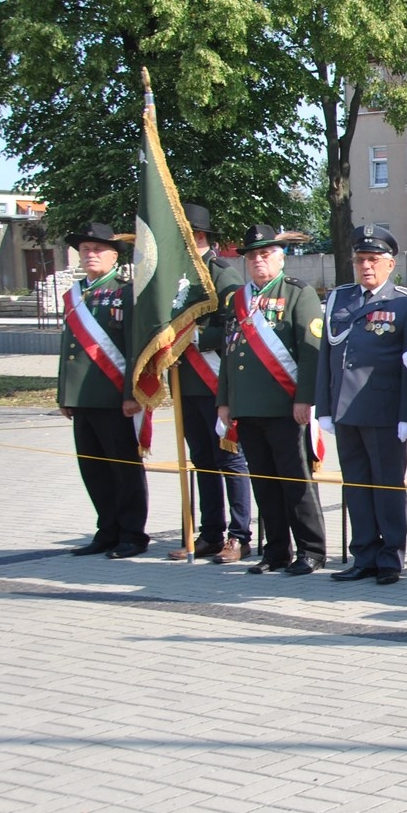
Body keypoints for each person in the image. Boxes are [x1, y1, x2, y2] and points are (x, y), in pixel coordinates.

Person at [315, 225, 407, 585]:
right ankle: (363, 554)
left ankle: (391, 556)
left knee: (387, 485)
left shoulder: (406, 302)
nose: (366, 266)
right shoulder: (339, 298)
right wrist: (324, 408)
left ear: (390, 264)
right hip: (345, 409)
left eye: (374, 260)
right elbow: (326, 358)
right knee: (357, 485)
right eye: (361, 259)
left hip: (383, 411)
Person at [216, 225, 326, 576]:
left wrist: (304, 398)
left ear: (280, 258)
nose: (258, 260)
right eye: (252, 255)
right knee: (264, 483)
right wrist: (224, 399)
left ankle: (310, 550)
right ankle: (276, 550)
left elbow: (311, 353)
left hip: (284, 405)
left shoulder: (298, 293)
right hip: (247, 407)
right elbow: (229, 351)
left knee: (295, 481)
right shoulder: (237, 300)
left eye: (265, 254)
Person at [167, 203, 253, 563]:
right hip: (185, 381)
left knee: (229, 458)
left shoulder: (222, 275)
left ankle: (239, 535)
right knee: (202, 459)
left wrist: (193, 336)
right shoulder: (173, 277)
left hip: (215, 378)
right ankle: (211, 532)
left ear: (201, 238)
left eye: (190, 237)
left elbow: (232, 327)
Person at [58, 223, 149, 558]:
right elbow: (68, 348)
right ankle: (107, 530)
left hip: (113, 397)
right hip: (81, 399)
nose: (90, 255)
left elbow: (133, 347)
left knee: (124, 468)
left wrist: (131, 393)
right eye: (85, 250)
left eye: (97, 249)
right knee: (93, 469)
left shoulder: (125, 292)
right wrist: (63, 394)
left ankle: (132, 534)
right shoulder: (74, 293)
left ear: (114, 255)